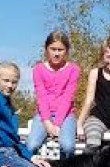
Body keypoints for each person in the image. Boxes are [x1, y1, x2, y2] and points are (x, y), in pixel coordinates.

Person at [29, 31, 81, 160]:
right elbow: (41, 97)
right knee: (31, 145)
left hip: (66, 115)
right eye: (53, 49)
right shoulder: (38, 69)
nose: (56, 53)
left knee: (68, 146)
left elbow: (68, 98)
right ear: (46, 49)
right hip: (43, 115)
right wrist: (47, 123)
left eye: (60, 50)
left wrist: (57, 124)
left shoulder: (73, 69)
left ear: (66, 51)